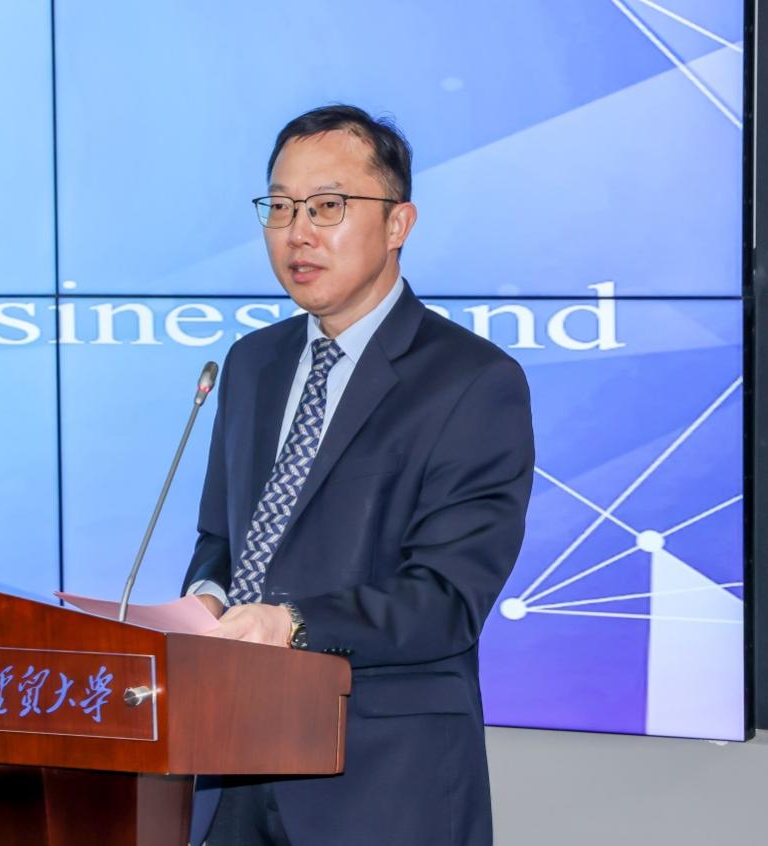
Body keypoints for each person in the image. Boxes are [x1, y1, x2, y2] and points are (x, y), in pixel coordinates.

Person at [182, 104, 535, 846]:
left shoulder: (470, 381)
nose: (297, 232)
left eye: (327, 206)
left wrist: (291, 623)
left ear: (398, 223)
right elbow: (221, 538)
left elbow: (446, 599)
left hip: (377, 782)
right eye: (280, 207)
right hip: (227, 762)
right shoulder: (252, 363)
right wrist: (206, 600)